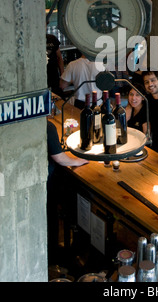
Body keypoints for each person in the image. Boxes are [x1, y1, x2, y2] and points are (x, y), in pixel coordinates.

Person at [47, 120, 88, 263]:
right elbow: (60, 158)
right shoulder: (48, 126)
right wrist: (78, 161)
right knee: (50, 215)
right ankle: (53, 254)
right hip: (47, 181)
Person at [46, 31, 65, 98]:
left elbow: (59, 57)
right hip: (41, 77)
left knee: (58, 99)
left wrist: (62, 76)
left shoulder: (52, 38)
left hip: (54, 76)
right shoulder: (33, 39)